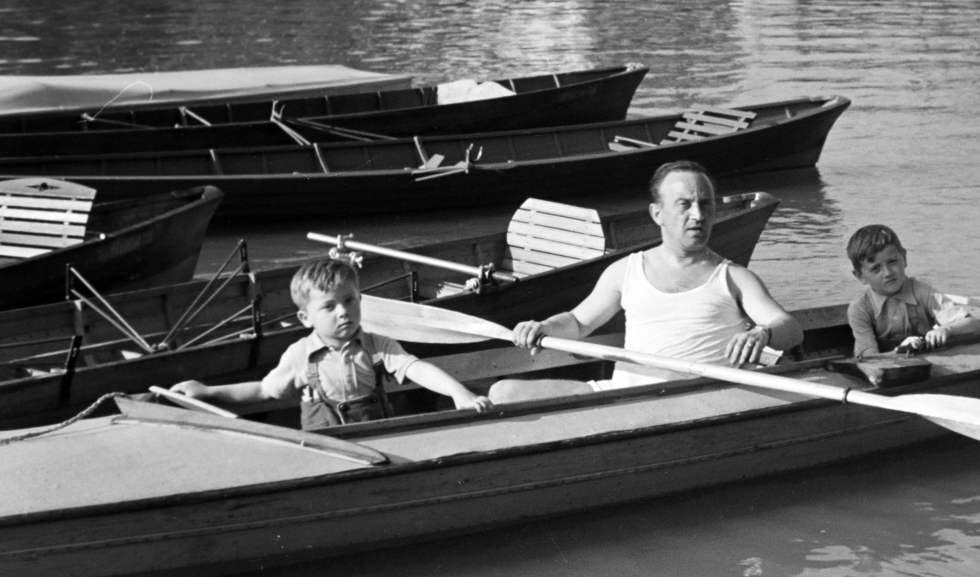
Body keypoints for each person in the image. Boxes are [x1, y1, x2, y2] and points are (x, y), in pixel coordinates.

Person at [489, 160, 803, 403]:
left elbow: (789, 328)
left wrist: (763, 333)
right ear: (657, 214)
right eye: (684, 204)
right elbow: (576, 323)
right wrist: (541, 327)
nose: (698, 214)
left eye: (705, 204)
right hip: (619, 397)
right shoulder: (625, 270)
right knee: (503, 393)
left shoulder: (735, 277)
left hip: (698, 400)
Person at [170, 256, 490, 429]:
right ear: (305, 318)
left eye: (350, 300)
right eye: (329, 306)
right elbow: (264, 390)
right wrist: (208, 392)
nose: (344, 312)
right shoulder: (300, 355)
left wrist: (458, 393)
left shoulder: (377, 345)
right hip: (327, 448)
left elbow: (417, 369)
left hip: (383, 441)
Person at [845, 224, 980, 358]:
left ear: (904, 258)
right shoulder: (859, 309)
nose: (887, 273)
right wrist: (899, 352)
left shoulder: (922, 292)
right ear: (861, 276)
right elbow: (868, 359)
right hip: (887, 374)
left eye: (892, 262)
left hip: (929, 364)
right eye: (876, 269)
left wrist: (946, 329)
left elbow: (974, 323)